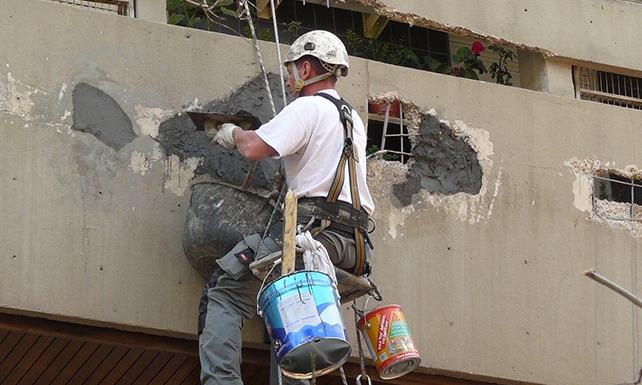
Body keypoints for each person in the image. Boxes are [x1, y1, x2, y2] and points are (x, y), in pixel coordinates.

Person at [198, 30, 375, 385]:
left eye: (294, 68)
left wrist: (231, 132)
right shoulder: (351, 119)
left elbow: (253, 147)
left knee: (225, 294)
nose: (291, 76)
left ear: (307, 68)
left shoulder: (308, 107)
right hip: (351, 243)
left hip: (311, 231)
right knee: (295, 310)